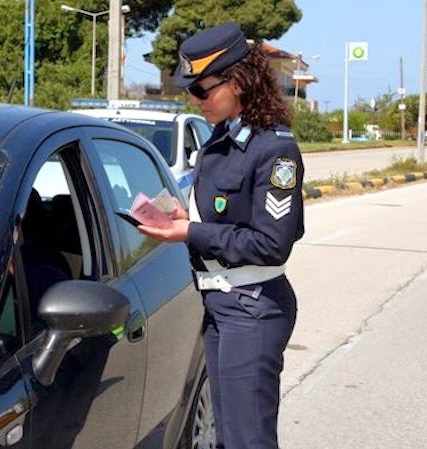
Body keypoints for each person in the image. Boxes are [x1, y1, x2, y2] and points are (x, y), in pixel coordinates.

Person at [138, 23, 304, 449]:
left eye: (203, 90)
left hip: (252, 307)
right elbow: (224, 215)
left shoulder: (273, 148)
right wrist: (183, 215)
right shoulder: (222, 138)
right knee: (229, 437)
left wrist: (190, 232)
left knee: (248, 439)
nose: (196, 101)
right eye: (190, 92)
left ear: (240, 81)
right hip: (221, 304)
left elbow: (270, 243)